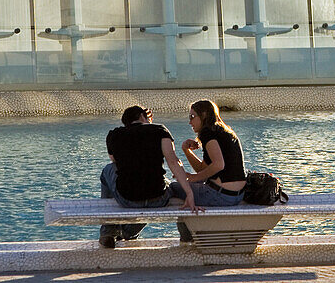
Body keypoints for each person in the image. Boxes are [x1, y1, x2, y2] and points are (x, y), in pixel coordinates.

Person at [99, 105, 197, 249]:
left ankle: (108, 232)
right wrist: (189, 192)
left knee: (108, 170)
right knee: (171, 185)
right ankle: (186, 235)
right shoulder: (159, 130)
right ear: (142, 116)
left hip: (127, 198)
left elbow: (116, 162)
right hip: (159, 198)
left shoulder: (114, 134)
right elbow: (173, 161)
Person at [174, 99, 247, 241]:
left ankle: (187, 238)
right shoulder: (223, 132)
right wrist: (186, 150)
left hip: (222, 195)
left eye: (192, 117)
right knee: (186, 189)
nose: (190, 122)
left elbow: (218, 165)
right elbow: (203, 169)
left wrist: (192, 178)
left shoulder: (208, 133)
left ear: (204, 115)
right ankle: (192, 235)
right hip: (237, 195)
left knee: (174, 188)